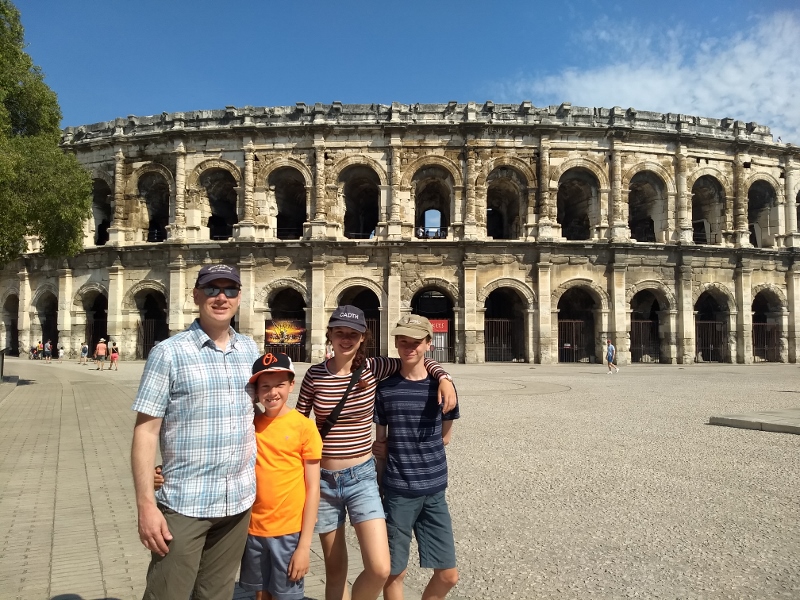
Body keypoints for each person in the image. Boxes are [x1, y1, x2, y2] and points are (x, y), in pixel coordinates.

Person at [296, 305, 456, 600]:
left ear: (362, 338)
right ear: (330, 334)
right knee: (335, 571)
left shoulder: (372, 368)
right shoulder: (314, 375)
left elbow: (415, 361)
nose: (346, 339)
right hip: (323, 480)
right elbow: (297, 424)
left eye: (353, 334)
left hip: (362, 478)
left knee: (381, 568)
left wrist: (444, 377)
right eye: (340, 332)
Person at [130, 263, 260, 599]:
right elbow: (145, 432)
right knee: (168, 593)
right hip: (186, 503)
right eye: (212, 289)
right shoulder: (168, 353)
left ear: (240, 297)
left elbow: (259, 415)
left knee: (216, 595)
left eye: (229, 290)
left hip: (238, 503)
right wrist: (146, 505)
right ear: (196, 295)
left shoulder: (249, 350)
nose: (221, 297)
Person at [374, 315, 460, 600]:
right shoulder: (386, 388)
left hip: (434, 490)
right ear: (396, 343)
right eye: (403, 341)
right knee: (394, 572)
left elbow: (445, 436)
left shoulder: (441, 387)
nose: (409, 347)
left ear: (428, 343)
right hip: (398, 490)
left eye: (416, 341)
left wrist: (444, 378)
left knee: (449, 575)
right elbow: (381, 441)